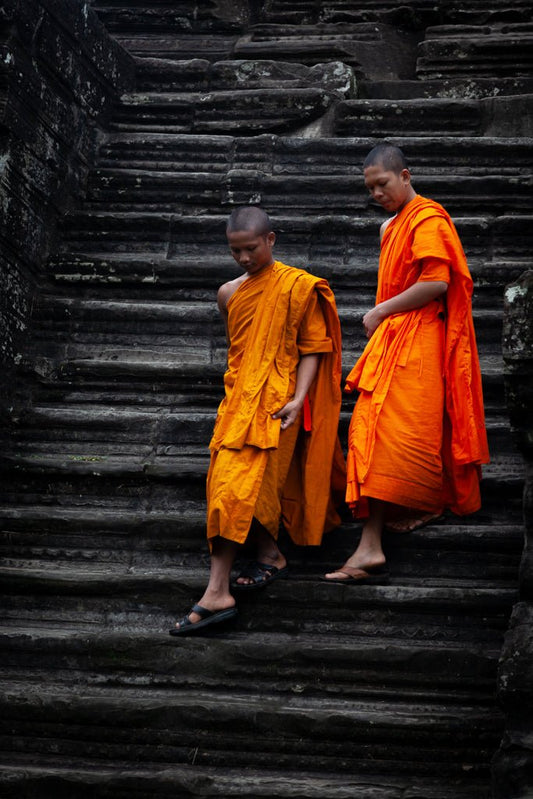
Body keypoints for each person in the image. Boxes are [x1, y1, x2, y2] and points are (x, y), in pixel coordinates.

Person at [171, 206, 344, 634]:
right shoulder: (229, 293)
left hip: (277, 404)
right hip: (236, 405)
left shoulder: (299, 287)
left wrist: (300, 399)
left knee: (239, 488)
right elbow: (243, 353)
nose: (245, 258)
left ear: (271, 239)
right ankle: (269, 554)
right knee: (228, 488)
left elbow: (312, 349)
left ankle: (216, 592)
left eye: (251, 248)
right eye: (236, 252)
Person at [325, 144, 489, 583]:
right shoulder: (389, 228)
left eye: (383, 183)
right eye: (370, 188)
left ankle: (376, 541)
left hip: (421, 338)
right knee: (371, 430)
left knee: (396, 432)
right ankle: (373, 542)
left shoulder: (428, 218)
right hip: (396, 338)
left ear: (405, 175)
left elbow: (436, 281)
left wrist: (380, 312)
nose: (377, 193)